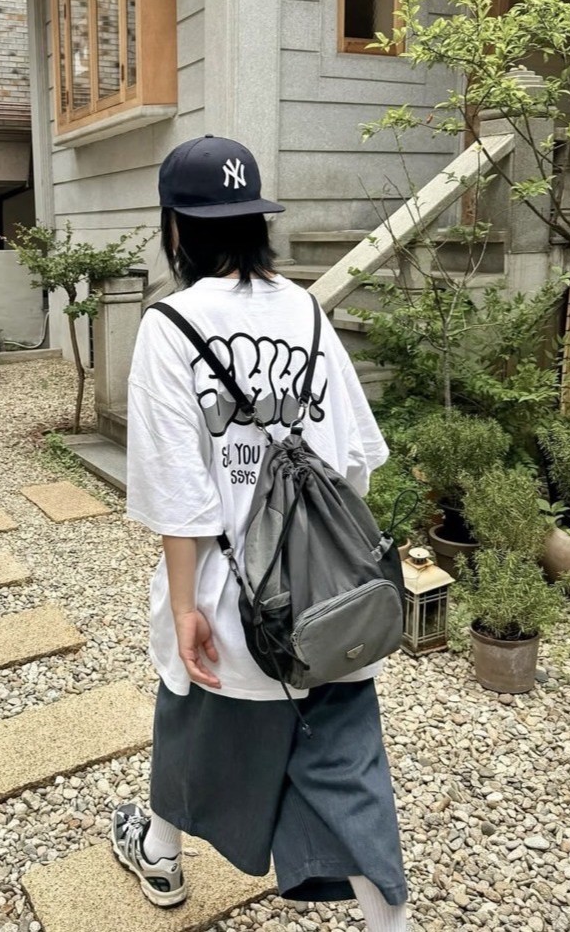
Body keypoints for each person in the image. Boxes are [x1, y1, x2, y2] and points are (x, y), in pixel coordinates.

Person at [114, 135, 408, 931]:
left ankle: (162, 855)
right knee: (346, 766)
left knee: (192, 723)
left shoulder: (170, 326)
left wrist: (184, 609)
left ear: (176, 228)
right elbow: (354, 461)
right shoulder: (306, 311)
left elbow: (181, 499)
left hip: (231, 601)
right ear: (256, 221)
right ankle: (393, 923)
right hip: (328, 602)